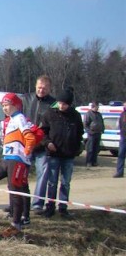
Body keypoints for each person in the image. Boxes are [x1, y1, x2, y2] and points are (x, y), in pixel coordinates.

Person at [0, 93, 36, 238]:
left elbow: (29, 136)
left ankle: (16, 224)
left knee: (14, 189)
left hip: (17, 159)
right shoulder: (9, 120)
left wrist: (27, 152)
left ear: (16, 105)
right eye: (3, 106)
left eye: (7, 105)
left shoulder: (20, 118)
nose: (4, 108)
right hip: (7, 158)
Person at [39, 89, 84, 219]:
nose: (61, 106)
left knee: (66, 182)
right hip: (53, 153)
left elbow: (80, 132)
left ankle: (63, 208)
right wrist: (47, 143)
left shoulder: (75, 115)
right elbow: (42, 132)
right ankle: (50, 207)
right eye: (59, 103)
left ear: (69, 104)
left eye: (64, 104)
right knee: (52, 182)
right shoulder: (49, 114)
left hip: (69, 155)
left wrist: (76, 147)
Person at [22, 75, 56, 213]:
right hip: (26, 143)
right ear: (35, 86)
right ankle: (19, 202)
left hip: (43, 144)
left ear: (49, 88)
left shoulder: (53, 104)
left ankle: (37, 204)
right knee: (21, 174)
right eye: (39, 87)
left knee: (43, 173)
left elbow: (54, 125)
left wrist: (47, 141)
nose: (41, 90)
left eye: (44, 88)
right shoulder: (26, 99)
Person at [84, 101, 104, 167]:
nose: (97, 108)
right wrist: (89, 131)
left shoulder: (99, 114)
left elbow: (102, 122)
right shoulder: (88, 114)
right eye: (96, 107)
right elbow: (86, 124)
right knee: (90, 149)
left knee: (96, 149)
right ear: (93, 107)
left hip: (98, 133)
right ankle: (88, 162)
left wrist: (102, 129)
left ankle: (94, 162)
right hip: (91, 134)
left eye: (98, 107)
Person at [114, 101, 126, 178]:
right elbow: (120, 125)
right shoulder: (122, 114)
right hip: (123, 137)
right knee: (121, 155)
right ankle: (119, 172)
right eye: (124, 105)